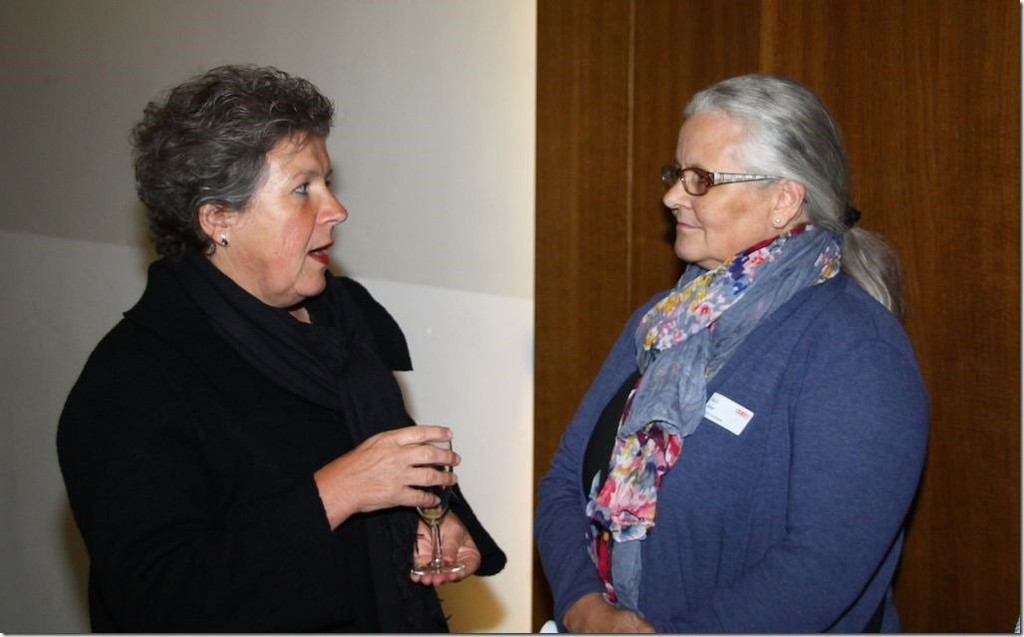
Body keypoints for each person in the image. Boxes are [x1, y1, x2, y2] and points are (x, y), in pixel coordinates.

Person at [56, 64, 505, 632]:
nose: (336, 209)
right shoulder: (132, 381)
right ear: (218, 218)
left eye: (327, 183)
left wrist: (438, 518)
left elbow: (388, 469)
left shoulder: (343, 317)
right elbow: (160, 601)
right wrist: (338, 491)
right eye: (302, 189)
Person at [535, 74, 929, 633]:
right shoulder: (663, 321)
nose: (672, 196)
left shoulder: (856, 351)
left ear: (784, 200)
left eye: (701, 180)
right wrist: (583, 607)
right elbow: (563, 483)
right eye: (676, 174)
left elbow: (820, 570)